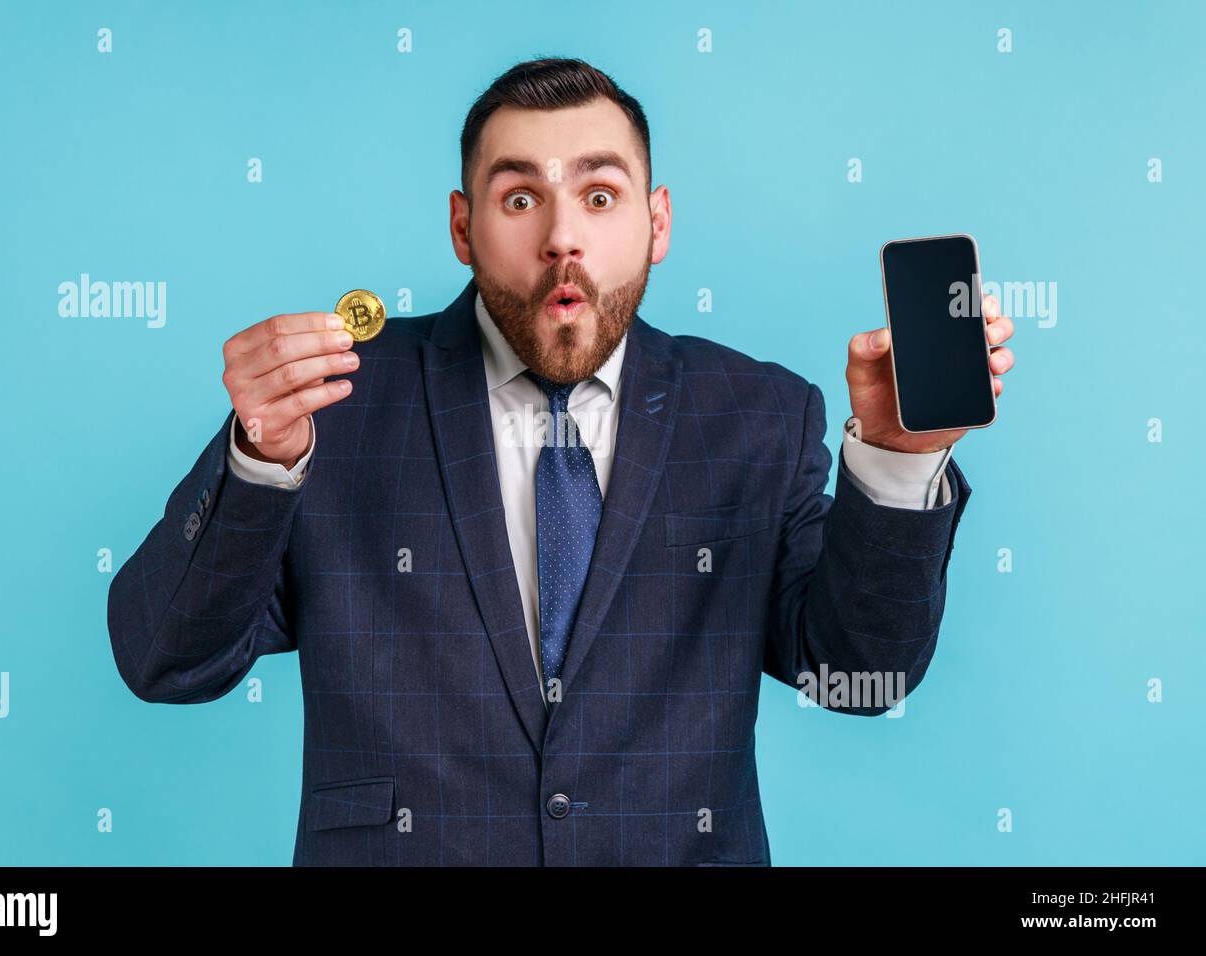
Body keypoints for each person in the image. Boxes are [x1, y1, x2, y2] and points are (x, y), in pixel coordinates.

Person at [107, 57, 1015, 866]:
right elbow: (166, 662)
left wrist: (897, 460)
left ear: (658, 223)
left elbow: (863, 676)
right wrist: (261, 459)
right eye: (518, 198)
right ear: (463, 228)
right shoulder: (339, 406)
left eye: (601, 195)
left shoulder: (758, 416)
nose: (561, 238)